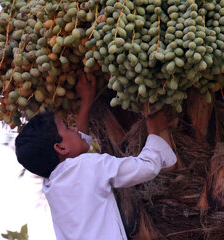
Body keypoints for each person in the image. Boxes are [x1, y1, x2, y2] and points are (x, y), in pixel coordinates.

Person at [15, 72, 177, 240]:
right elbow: (146, 167)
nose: (74, 129)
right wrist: (155, 132)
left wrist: (86, 102)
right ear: (61, 147)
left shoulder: (52, 185)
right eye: (68, 127)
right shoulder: (87, 166)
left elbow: (77, 147)